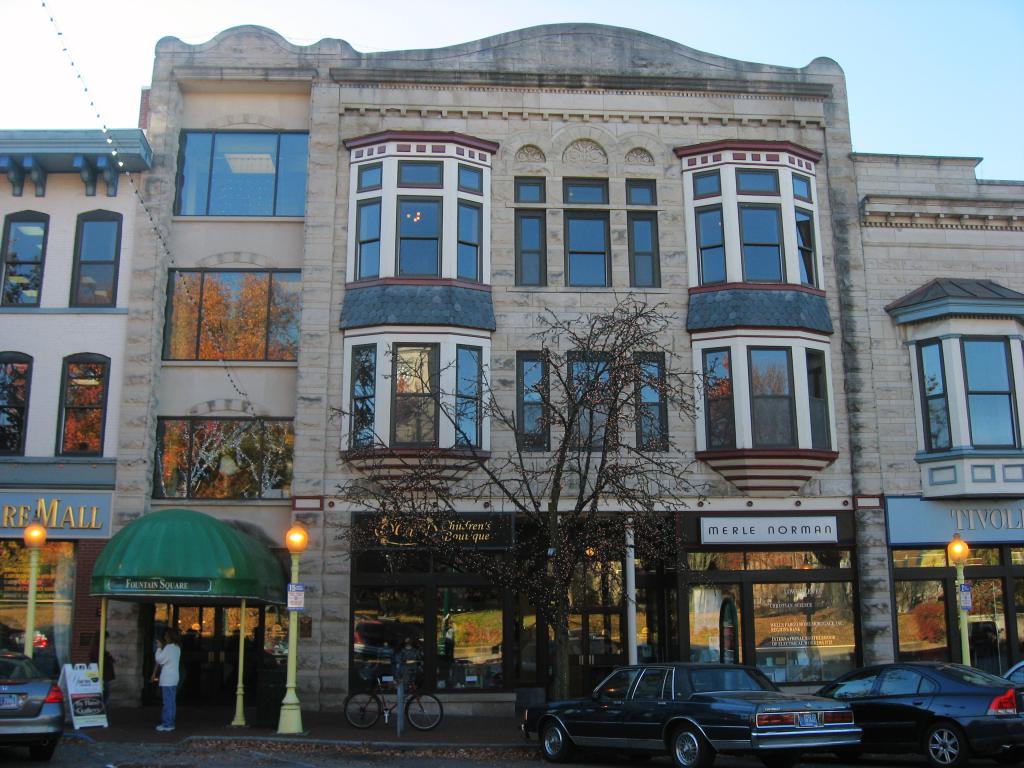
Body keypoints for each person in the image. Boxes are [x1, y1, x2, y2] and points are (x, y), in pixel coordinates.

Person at [152, 629, 181, 732]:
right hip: (174, 677)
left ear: (169, 637)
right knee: (171, 702)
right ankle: (170, 722)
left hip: (167, 678)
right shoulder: (177, 648)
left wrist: (159, 649)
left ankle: (167, 724)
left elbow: (159, 660)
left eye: (166, 636)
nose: (165, 638)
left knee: (167, 702)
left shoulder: (168, 648)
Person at [88, 632, 115, 709]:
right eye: (105, 638)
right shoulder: (97, 648)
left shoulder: (98, 647)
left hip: (103, 672)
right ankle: (102, 706)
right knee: (105, 691)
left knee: (105, 690)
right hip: (102, 672)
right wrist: (109, 659)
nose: (106, 640)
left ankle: (101, 706)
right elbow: (99, 659)